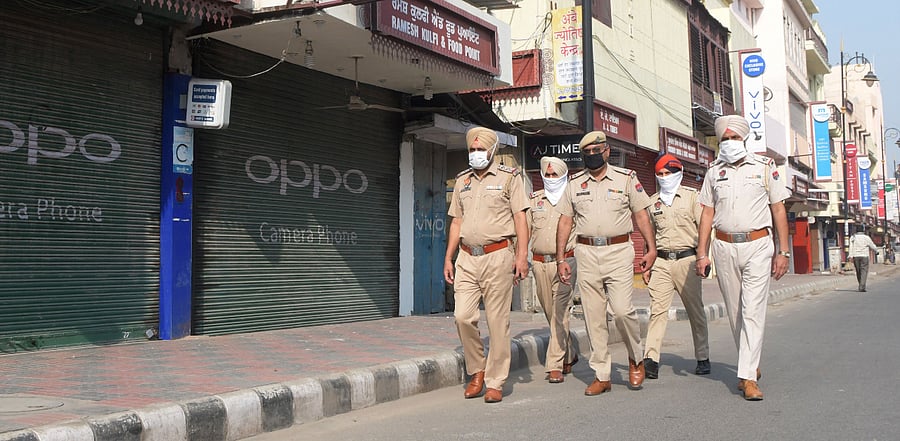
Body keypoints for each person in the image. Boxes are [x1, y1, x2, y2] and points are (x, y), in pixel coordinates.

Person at [695, 115, 791, 401]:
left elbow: (778, 209)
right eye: (725, 139)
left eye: (735, 138)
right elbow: (707, 213)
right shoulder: (714, 172)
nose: (729, 143)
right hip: (723, 246)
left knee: (752, 310)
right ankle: (750, 363)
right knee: (735, 312)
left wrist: (783, 251)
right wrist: (702, 253)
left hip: (759, 245)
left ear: (744, 140)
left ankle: (748, 377)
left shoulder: (764, 168)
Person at [556, 130, 657, 396]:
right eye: (586, 153)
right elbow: (565, 221)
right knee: (593, 316)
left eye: (596, 151)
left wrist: (651, 248)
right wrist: (560, 258)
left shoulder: (626, 179)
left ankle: (636, 358)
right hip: (586, 253)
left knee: (623, 311)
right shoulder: (575, 184)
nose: (592, 156)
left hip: (619, 251)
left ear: (607, 151)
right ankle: (602, 374)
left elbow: (642, 215)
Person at [444, 126, 530, 404]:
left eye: (481, 149)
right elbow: (456, 221)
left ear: (493, 151)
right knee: (462, 316)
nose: (476, 153)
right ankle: (477, 369)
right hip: (467, 257)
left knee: (497, 321)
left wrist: (521, 256)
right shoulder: (462, 181)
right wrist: (449, 256)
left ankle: (494, 381)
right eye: (472, 149)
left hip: (499, 255)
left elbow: (520, 218)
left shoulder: (510, 178)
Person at [641, 154, 710, 379]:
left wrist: (703, 256)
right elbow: (648, 235)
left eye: (668, 173)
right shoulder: (652, 202)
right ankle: (651, 359)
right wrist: (647, 263)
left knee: (695, 310)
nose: (664, 178)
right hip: (661, 261)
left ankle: (702, 356)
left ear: (678, 173)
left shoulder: (692, 198)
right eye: (660, 174)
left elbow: (705, 230)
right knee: (657, 311)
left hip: (687, 260)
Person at [529, 156, 579, 383]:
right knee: (550, 313)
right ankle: (569, 353)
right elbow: (525, 230)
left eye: (555, 175)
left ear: (564, 175)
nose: (551, 179)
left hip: (566, 262)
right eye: (547, 175)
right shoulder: (534, 200)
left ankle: (555, 364)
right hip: (539, 263)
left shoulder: (574, 199)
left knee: (560, 312)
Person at [848, 226, 877, 292]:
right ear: (863, 230)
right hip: (864, 256)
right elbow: (872, 245)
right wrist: (876, 250)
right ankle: (862, 286)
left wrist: (850, 256)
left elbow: (851, 247)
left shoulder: (853, 237)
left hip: (856, 256)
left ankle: (861, 285)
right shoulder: (866, 237)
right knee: (864, 271)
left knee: (858, 271)